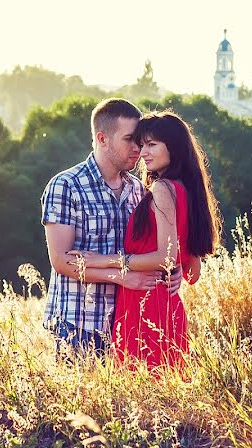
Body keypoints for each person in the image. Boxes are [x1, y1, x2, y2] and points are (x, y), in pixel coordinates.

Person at [67, 111, 221, 370]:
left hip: (146, 306)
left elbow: (166, 256)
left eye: (152, 145)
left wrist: (104, 261)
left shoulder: (162, 189)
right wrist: (179, 263)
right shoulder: (183, 187)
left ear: (173, 148)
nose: (142, 152)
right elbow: (190, 269)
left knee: (143, 394)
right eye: (141, 144)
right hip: (159, 303)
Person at [40, 98, 181, 356]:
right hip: (77, 324)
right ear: (102, 139)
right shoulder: (66, 185)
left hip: (126, 325)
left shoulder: (140, 189)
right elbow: (61, 261)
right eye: (129, 139)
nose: (137, 148)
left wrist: (173, 269)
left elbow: (153, 247)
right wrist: (121, 277)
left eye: (140, 140)